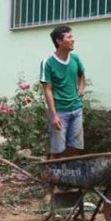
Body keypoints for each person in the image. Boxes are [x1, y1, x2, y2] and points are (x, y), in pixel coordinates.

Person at [40, 25, 86, 158]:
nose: (73, 40)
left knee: (74, 147)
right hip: (59, 112)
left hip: (76, 109)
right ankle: (54, 176)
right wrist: (53, 116)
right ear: (59, 41)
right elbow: (47, 90)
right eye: (69, 37)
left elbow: (82, 75)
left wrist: (81, 88)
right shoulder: (47, 63)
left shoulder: (75, 58)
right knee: (57, 150)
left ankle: (70, 174)